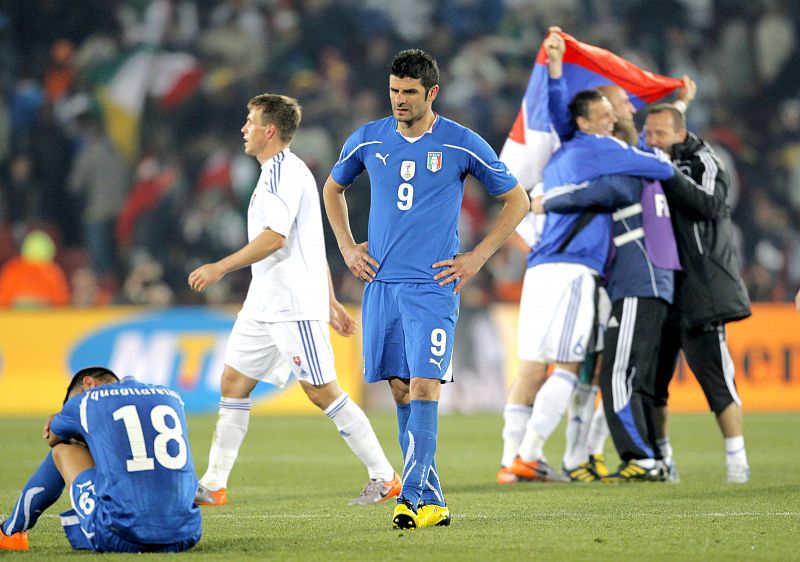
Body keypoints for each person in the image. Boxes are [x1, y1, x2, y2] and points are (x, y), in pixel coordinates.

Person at [323, 49, 529, 529]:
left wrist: (476, 257)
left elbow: (517, 199)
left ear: (431, 93)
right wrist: (349, 247)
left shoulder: (460, 143)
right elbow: (333, 190)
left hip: (432, 286)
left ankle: (409, 497)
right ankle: (433, 503)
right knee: (399, 390)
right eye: (394, 90)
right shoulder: (367, 140)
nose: (399, 99)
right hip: (381, 285)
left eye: (409, 92)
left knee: (423, 385)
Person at [188, 93, 400, 507]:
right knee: (233, 382)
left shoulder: (284, 173)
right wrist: (333, 302)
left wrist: (220, 267)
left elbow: (276, 238)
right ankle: (213, 484)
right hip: (264, 303)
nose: (243, 129)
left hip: (291, 305)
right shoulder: (275, 172)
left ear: (270, 130)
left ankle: (385, 476)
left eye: (250, 121)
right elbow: (311, 244)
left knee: (323, 391)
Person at [507, 87, 676, 485]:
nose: (614, 117)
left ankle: (539, 457)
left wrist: (551, 73)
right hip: (580, 270)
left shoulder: (561, 156)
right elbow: (645, 177)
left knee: (557, 367)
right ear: (584, 121)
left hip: (554, 267)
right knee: (582, 366)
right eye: (607, 111)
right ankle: (541, 455)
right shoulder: (602, 152)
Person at [644, 104, 752, 483]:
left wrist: (665, 170)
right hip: (658, 286)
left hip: (698, 288)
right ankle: (662, 459)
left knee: (715, 379)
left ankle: (736, 458)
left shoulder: (706, 161)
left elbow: (710, 204)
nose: (651, 140)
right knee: (653, 382)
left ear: (679, 133)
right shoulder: (647, 160)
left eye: (659, 133)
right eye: (648, 133)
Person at [0, 367, 202, 553]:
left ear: (88, 384)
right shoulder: (171, 395)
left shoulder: (87, 401)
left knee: (64, 449)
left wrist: (61, 416)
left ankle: (10, 532)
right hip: (187, 534)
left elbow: (52, 437)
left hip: (120, 536)